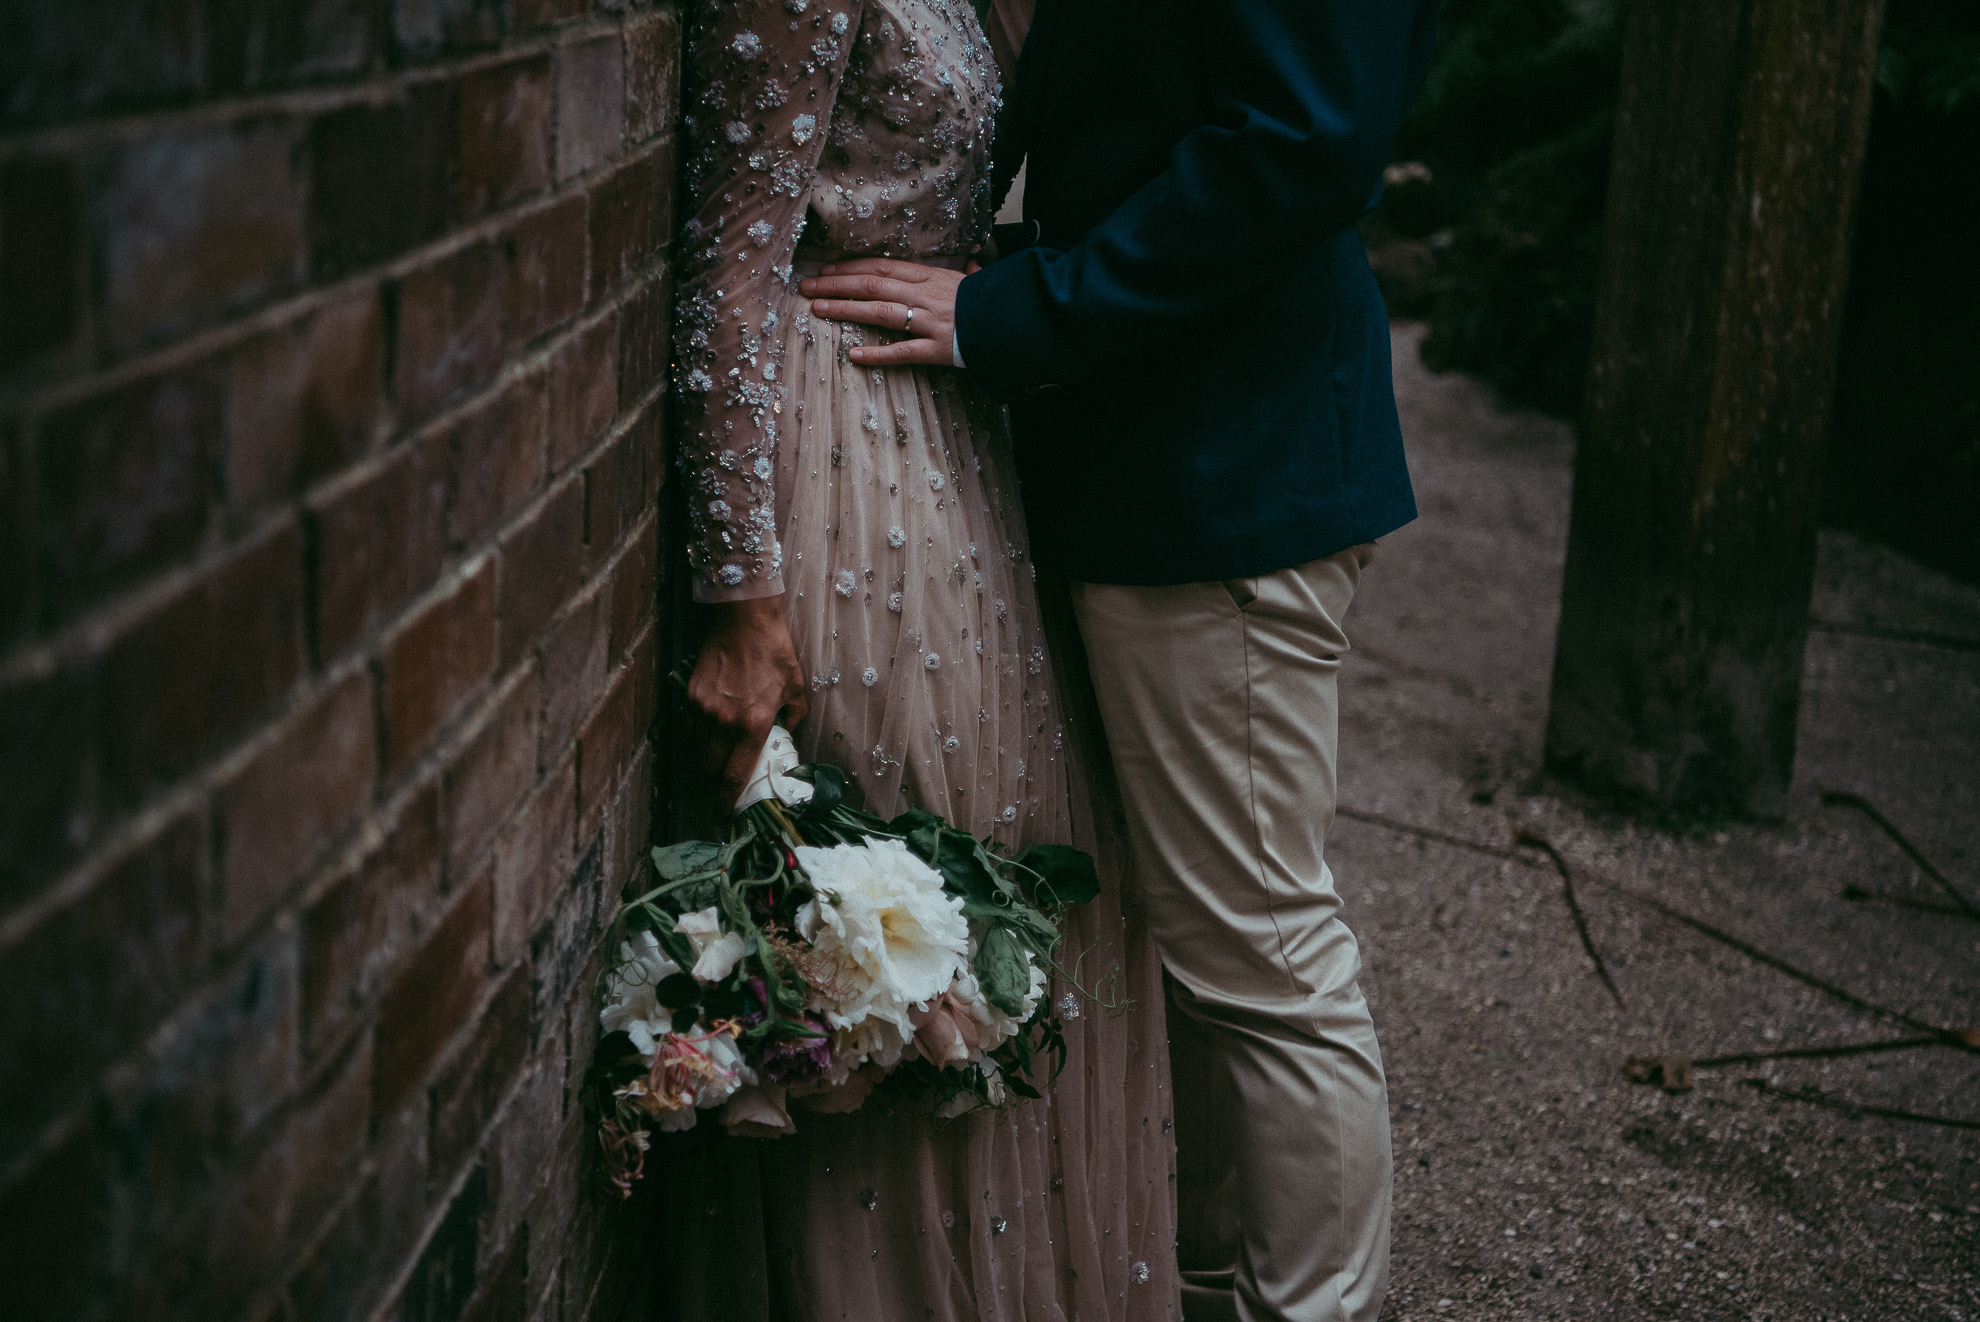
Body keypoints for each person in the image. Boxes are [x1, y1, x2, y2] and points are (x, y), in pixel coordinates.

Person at [802, 2, 1442, 1319]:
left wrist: (1021, 308)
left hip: (1222, 465)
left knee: (1262, 952)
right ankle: (1213, 1280)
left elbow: (1302, 145)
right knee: (1198, 943)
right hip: (1160, 450)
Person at [668, 0, 1181, 1319]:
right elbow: (729, 263)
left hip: (959, 440)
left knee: (1014, 881)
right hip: (834, 449)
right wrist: (743, 590)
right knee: (887, 897)